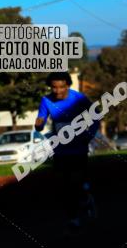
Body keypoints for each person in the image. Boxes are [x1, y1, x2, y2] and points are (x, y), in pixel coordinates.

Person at [34, 71, 99, 227]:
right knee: (65, 186)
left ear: (68, 85)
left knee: (76, 183)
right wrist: (39, 124)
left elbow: (96, 116)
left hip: (79, 148)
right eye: (54, 88)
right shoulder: (46, 100)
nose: (57, 91)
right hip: (60, 149)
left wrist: (88, 136)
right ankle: (73, 218)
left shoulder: (79, 99)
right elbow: (40, 121)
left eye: (61, 87)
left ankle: (86, 197)